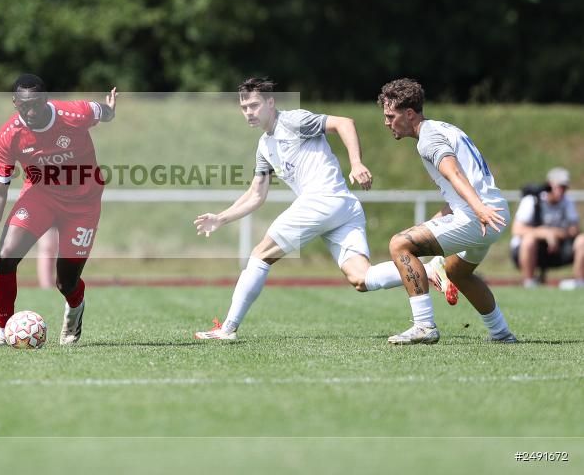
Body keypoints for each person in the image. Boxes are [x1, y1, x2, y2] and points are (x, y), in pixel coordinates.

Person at [192, 78, 446, 341]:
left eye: (254, 105)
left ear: (270, 103)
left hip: (322, 200)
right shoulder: (264, 146)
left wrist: (356, 163)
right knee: (361, 278)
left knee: (260, 255)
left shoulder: (292, 121)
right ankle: (426, 270)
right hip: (342, 208)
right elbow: (256, 194)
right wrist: (221, 218)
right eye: (244, 107)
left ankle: (228, 328)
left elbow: (344, 123)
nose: (249, 112)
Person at [0, 75, 117, 347]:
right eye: (24, 105)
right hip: (41, 195)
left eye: (37, 103)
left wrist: (110, 109)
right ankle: (4, 332)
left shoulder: (74, 113)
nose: (31, 111)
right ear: (15, 103)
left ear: (46, 98)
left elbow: (102, 112)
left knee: (65, 282)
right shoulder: (9, 135)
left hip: (83, 203)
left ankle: (75, 308)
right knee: (5, 258)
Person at [378, 78, 516, 344]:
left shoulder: (428, 139)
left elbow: (453, 172)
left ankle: (424, 326)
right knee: (457, 273)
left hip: (479, 217)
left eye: (390, 116)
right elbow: (459, 190)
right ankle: (501, 333)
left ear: (409, 114)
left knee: (399, 245)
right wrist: (436, 221)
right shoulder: (443, 127)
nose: (386, 122)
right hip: (494, 210)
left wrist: (478, 209)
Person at [511, 167, 583, 289]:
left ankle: (580, 282)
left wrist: (554, 234)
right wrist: (544, 233)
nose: (562, 191)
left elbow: (574, 230)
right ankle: (529, 282)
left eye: (565, 188)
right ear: (549, 185)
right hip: (529, 250)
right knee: (529, 240)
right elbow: (517, 230)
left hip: (557, 249)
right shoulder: (532, 200)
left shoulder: (567, 202)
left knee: (582, 240)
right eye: (559, 187)